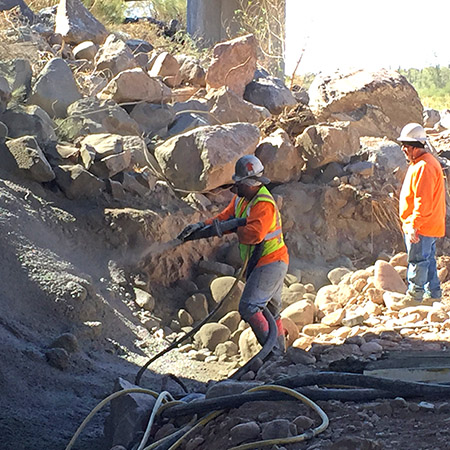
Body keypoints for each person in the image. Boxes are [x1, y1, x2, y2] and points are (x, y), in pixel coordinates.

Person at [179, 155, 289, 354]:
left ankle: (273, 353)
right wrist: (201, 226)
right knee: (272, 311)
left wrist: (236, 227)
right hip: (265, 262)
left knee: (249, 307)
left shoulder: (263, 203)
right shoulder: (242, 199)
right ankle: (281, 353)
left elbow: (254, 235)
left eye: (239, 184)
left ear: (251, 183)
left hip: (271, 261)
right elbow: (225, 217)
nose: (235, 188)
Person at [398, 123, 446, 301]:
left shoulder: (424, 166)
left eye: (406, 145)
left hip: (422, 225)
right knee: (428, 260)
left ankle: (415, 295)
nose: (403, 149)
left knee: (418, 260)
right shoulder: (422, 163)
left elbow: (423, 202)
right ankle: (433, 295)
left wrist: (413, 225)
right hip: (429, 224)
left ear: (415, 147)